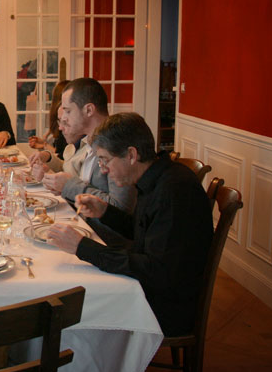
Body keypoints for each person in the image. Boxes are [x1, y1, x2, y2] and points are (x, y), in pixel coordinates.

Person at [47, 112, 213, 336]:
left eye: (105, 160)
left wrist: (82, 247)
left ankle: (93, 366)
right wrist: (105, 212)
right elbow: (143, 232)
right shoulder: (156, 177)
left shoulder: (173, 191)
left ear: (132, 155)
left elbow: (157, 271)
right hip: (153, 287)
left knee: (71, 306)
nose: (103, 169)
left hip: (164, 307)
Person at [31, 78, 135, 213]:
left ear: (89, 110)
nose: (64, 119)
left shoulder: (117, 144)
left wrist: (68, 186)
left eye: (68, 111)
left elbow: (120, 209)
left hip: (98, 231)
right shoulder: (89, 141)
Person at [28, 79, 69, 159]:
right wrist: (43, 144)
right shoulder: (61, 123)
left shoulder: (67, 125)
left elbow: (61, 155)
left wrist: (44, 145)